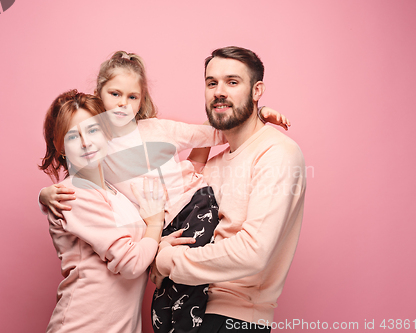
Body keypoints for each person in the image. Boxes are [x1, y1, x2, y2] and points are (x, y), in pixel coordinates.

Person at [39, 52, 291, 333]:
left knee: (190, 283)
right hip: (162, 225)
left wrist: (258, 114)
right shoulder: (100, 151)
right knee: (163, 299)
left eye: (132, 97)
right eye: (114, 94)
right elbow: (71, 136)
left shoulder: (157, 129)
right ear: (100, 97)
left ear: (142, 99)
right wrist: (45, 193)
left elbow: (215, 131)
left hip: (193, 204)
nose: (123, 103)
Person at [152, 46, 306, 333]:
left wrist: (167, 261)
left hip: (233, 319)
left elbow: (252, 252)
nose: (219, 91)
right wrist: (160, 248)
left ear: (257, 90)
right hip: (185, 309)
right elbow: (174, 212)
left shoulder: (277, 154)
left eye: (232, 82)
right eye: (212, 83)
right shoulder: (215, 163)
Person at [39, 90, 184, 333]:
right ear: (59, 146)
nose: (86, 142)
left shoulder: (114, 191)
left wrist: (158, 243)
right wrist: (155, 225)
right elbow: (130, 263)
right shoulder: (73, 194)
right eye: (73, 136)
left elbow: (134, 248)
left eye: (93, 130)